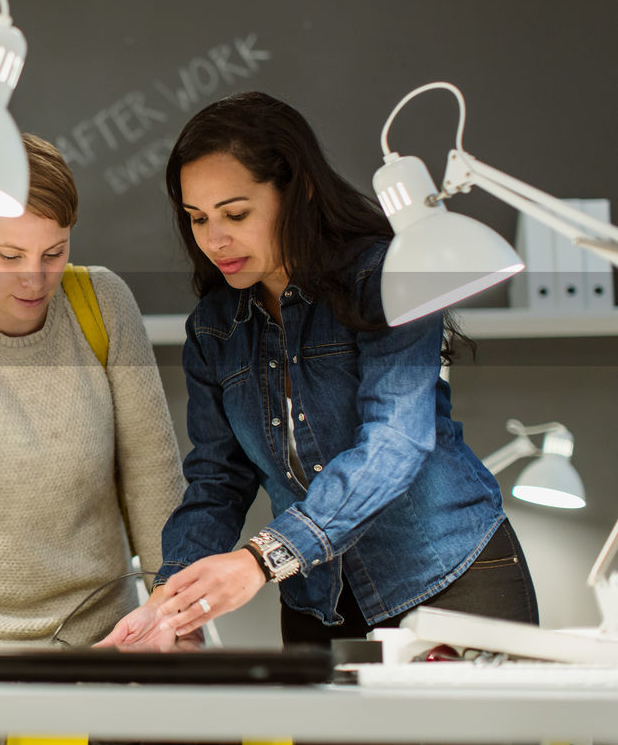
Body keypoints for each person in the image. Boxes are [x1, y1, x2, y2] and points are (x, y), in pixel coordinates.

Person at [100, 92, 537, 651]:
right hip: (319, 607)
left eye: (235, 214)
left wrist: (263, 559)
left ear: (298, 191)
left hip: (446, 582)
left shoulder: (386, 277)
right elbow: (217, 481)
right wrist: (171, 603)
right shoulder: (214, 328)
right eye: (197, 218)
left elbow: (395, 441)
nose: (213, 240)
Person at [0, 132, 184, 679]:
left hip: (106, 638)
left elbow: (153, 475)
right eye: (10, 255)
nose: (34, 278)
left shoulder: (103, 302)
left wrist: (177, 625)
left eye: (54, 252)